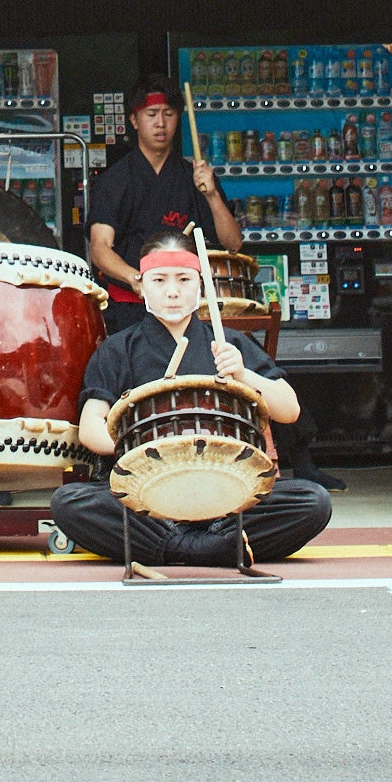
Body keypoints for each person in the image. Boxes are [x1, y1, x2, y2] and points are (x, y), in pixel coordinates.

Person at [49, 231, 333, 566]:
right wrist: (147, 451)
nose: (172, 291)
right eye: (159, 280)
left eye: (184, 279)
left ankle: (178, 546)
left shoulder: (230, 344)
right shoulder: (118, 349)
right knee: (70, 502)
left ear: (201, 285)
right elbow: (90, 428)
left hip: (227, 495)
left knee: (313, 501)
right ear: (142, 285)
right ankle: (211, 547)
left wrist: (244, 374)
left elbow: (289, 410)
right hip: (147, 497)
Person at [85, 81, 240, 331]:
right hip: (129, 308)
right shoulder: (114, 180)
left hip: (187, 310)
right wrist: (136, 279)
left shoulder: (195, 178)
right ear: (134, 120)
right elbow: (99, 248)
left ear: (178, 120)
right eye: (151, 114)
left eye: (168, 114)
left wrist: (211, 195)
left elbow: (233, 243)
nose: (160, 123)